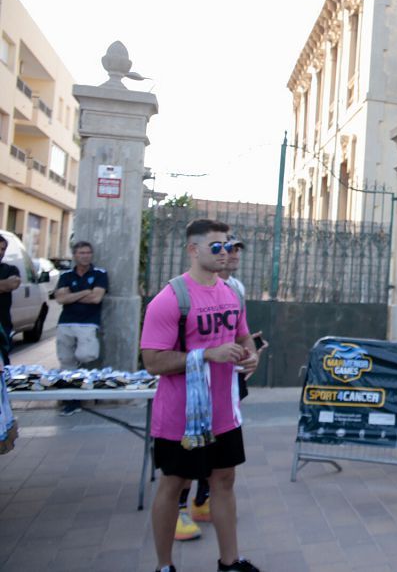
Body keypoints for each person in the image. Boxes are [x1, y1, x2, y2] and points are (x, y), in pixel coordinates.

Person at [141, 219, 261, 572]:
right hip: (182, 417)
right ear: (193, 250)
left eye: (228, 245)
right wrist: (206, 355)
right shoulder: (170, 300)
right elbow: (152, 361)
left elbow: (243, 336)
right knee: (174, 485)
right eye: (216, 247)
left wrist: (250, 353)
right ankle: (164, 566)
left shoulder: (231, 292)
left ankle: (230, 562)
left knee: (224, 481)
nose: (225, 253)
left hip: (225, 412)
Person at [175, 235, 257, 540]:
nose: (232, 254)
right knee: (192, 451)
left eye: (236, 249)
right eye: (225, 248)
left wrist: (251, 351)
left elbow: (240, 333)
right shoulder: (186, 291)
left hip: (227, 383)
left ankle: (201, 501)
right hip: (195, 388)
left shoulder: (236, 288)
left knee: (220, 455)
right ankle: (179, 510)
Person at [53, 241, 109, 415]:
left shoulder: (100, 273)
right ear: (75, 255)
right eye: (81, 253)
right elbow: (61, 299)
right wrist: (85, 292)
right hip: (66, 323)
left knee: (86, 355)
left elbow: (96, 298)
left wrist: (72, 295)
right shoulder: (66, 275)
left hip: (88, 323)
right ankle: (71, 400)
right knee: (66, 361)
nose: (86, 256)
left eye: (88, 253)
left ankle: (79, 384)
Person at [0, 237, 21, 366]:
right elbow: (6, 285)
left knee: (3, 365)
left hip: (3, 325)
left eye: (2, 249)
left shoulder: (10, 269)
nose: (0, 252)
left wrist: (6, 285)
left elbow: (12, 283)